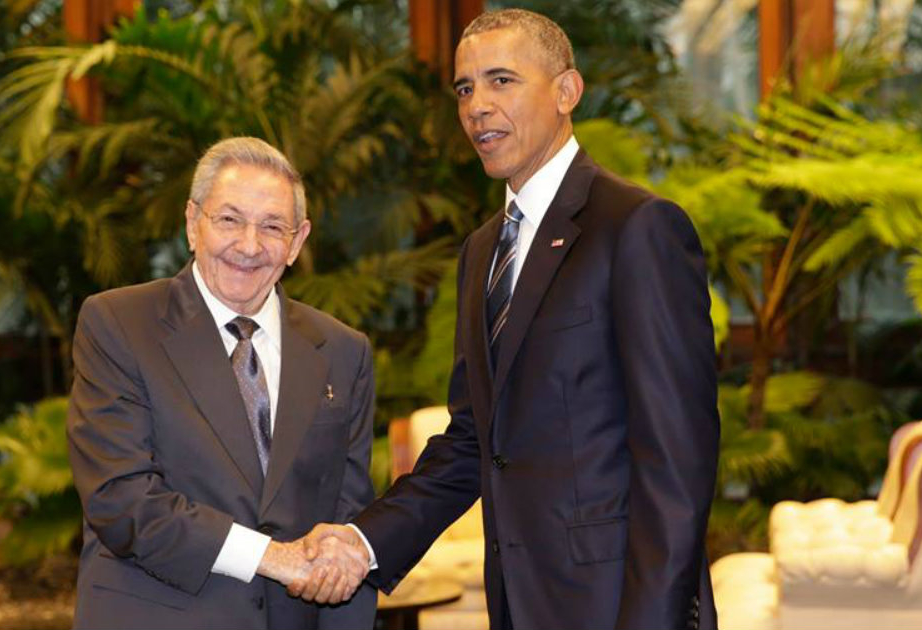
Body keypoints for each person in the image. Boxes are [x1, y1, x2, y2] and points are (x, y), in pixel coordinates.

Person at [295, 9, 720, 630]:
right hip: (520, 605)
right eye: (465, 88)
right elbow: (475, 440)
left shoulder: (636, 228)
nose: (477, 107)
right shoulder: (482, 250)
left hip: (620, 608)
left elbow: (678, 461)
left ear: (566, 92)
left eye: (502, 81)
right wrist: (364, 542)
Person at [67, 137, 375, 630]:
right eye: (229, 220)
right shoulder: (119, 324)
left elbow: (348, 515)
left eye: (273, 226)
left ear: (297, 242)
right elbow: (121, 498)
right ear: (193, 224)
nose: (249, 246)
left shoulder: (343, 351)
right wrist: (271, 557)